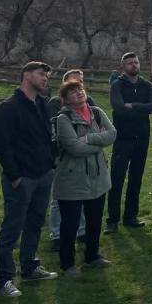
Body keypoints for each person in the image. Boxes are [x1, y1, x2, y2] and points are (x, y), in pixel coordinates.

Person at [0, 61, 58, 296]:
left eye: (47, 76)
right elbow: (2, 147)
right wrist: (15, 176)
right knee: (12, 227)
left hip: (43, 174)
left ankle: (29, 266)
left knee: (35, 223)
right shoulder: (8, 108)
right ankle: (5, 279)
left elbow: (47, 137)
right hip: (21, 179)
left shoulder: (41, 105)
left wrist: (51, 163)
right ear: (26, 75)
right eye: (41, 75)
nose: (45, 79)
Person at [53, 80, 116, 275]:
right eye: (72, 92)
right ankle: (67, 263)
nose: (79, 93)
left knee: (95, 220)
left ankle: (92, 256)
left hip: (98, 176)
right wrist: (100, 142)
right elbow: (74, 148)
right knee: (70, 223)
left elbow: (113, 134)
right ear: (65, 100)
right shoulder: (63, 119)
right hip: (72, 179)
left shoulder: (96, 112)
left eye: (80, 89)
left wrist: (89, 138)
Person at [106, 52, 152, 232]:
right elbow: (119, 109)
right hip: (123, 139)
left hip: (142, 139)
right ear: (123, 67)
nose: (134, 66)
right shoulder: (117, 86)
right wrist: (143, 108)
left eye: (136, 62)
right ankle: (112, 220)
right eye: (130, 63)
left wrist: (134, 106)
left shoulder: (147, 85)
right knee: (117, 179)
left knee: (136, 178)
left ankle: (130, 216)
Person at [47, 68, 93, 250]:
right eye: (74, 81)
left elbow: (98, 129)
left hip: (86, 157)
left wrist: (89, 139)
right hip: (63, 156)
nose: (78, 85)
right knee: (59, 197)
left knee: (82, 194)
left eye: (80, 82)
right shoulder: (54, 104)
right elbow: (57, 131)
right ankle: (57, 234)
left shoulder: (89, 102)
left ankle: (81, 231)